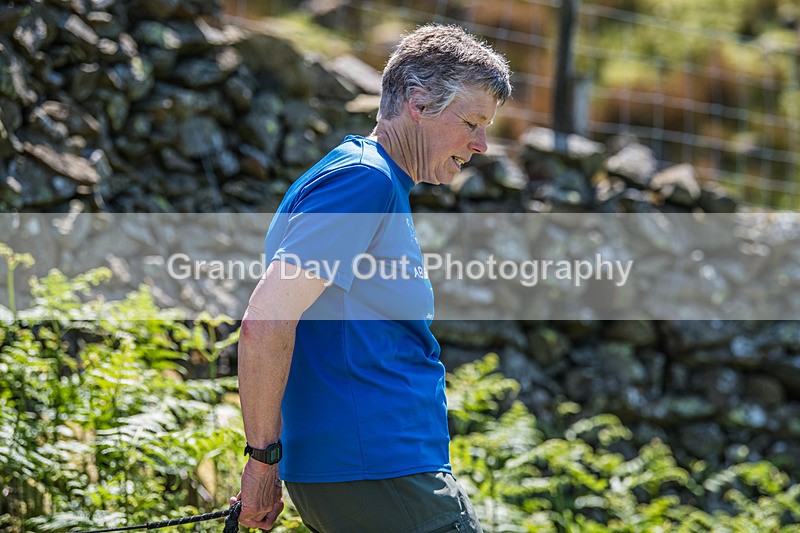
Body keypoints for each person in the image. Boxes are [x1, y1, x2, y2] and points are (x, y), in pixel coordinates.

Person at [231, 23, 512, 533]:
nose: (482, 144)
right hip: (381, 469)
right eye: (472, 121)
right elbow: (266, 322)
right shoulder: (364, 182)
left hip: (369, 469)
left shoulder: (366, 179)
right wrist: (261, 462)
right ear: (419, 102)